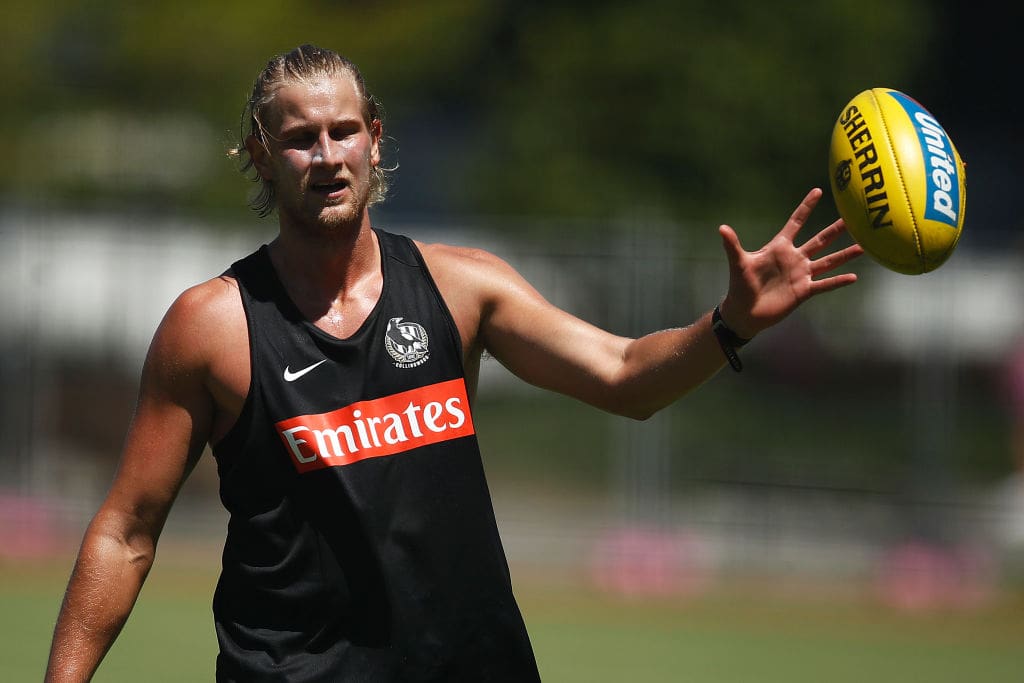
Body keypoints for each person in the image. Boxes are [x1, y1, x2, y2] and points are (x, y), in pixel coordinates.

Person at [45, 44, 863, 682]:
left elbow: (622, 374)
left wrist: (730, 325)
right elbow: (126, 530)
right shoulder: (214, 325)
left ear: (375, 138)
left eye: (342, 131)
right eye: (298, 139)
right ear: (261, 157)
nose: (326, 155)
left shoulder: (461, 287)